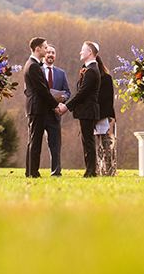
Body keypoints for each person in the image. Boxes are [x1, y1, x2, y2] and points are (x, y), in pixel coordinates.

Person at [24, 38, 66, 178]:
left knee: (34, 141)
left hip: (37, 108)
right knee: (35, 142)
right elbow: (42, 90)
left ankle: (30, 171)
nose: (46, 49)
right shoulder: (33, 66)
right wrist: (55, 105)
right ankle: (32, 173)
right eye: (44, 47)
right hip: (37, 109)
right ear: (37, 49)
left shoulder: (33, 64)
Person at [59, 41, 101, 177]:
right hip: (86, 111)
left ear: (90, 53)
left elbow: (82, 93)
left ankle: (90, 172)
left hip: (88, 111)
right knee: (87, 141)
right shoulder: (90, 70)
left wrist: (67, 106)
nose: (80, 52)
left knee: (88, 142)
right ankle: (90, 171)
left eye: (83, 50)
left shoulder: (91, 71)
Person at [42, 44, 70, 176]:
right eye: (48, 52)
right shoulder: (36, 70)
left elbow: (68, 92)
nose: (50, 55)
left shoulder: (61, 73)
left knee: (55, 146)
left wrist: (63, 97)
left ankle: (56, 172)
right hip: (40, 112)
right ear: (43, 55)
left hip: (55, 115)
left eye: (53, 52)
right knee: (34, 143)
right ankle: (32, 171)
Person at [95, 50, 116, 176]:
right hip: (92, 116)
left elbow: (107, 99)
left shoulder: (106, 78)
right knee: (95, 146)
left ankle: (108, 170)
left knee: (107, 146)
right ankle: (97, 170)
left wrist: (98, 116)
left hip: (105, 116)